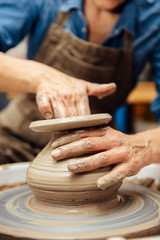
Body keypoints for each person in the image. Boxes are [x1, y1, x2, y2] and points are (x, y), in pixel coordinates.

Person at [0, 0, 160, 190]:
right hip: (15, 140)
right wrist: (42, 77)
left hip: (95, 153)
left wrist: (144, 145)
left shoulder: (154, 14)